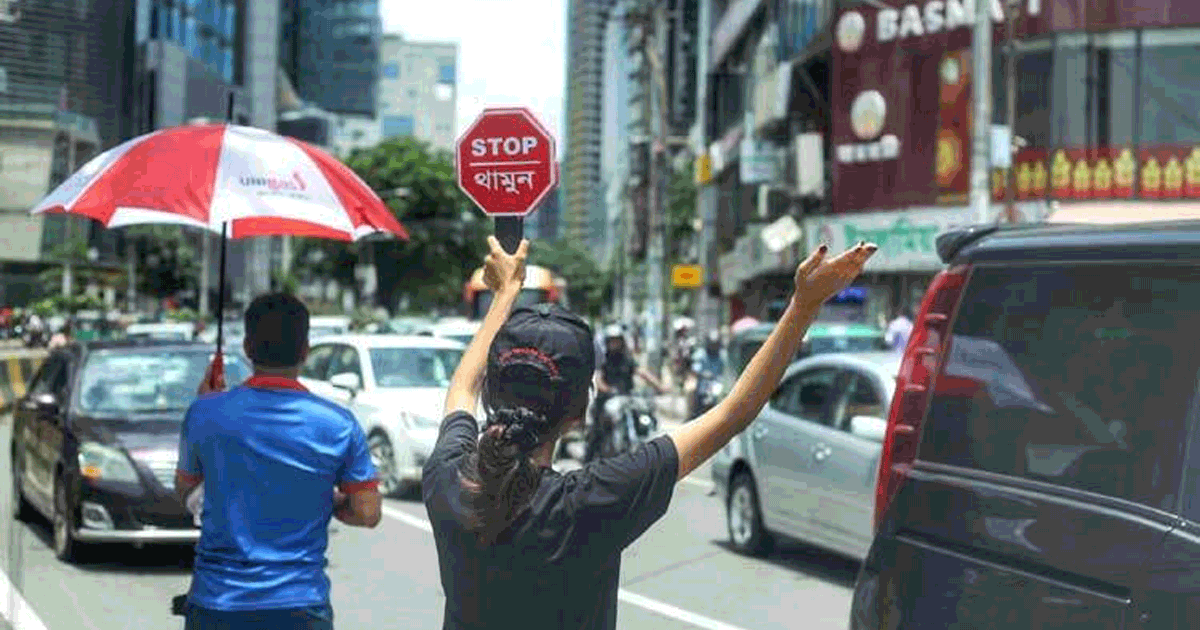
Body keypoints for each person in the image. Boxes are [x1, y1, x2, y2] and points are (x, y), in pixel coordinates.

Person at [421, 236, 876, 630]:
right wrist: (804, 304)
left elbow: (461, 386)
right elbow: (734, 412)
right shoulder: (586, 503)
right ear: (581, 407)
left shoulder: (449, 478)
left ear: (493, 392)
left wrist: (504, 295)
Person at [175, 292, 382, 630]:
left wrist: (209, 406)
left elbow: (185, 492)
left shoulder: (204, 413)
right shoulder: (338, 423)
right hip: (300, 606)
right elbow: (368, 512)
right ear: (305, 349)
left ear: (247, 347)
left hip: (217, 604)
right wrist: (328, 500)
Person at [587, 323, 665, 461]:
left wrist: (659, 386)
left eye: (617, 340)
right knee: (597, 429)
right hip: (607, 399)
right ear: (607, 341)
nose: (614, 343)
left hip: (627, 398)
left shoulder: (627, 358)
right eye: (612, 340)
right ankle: (588, 457)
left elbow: (642, 372)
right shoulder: (603, 359)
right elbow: (598, 379)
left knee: (645, 412)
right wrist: (607, 389)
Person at [689, 331, 726, 419]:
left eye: (715, 345)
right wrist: (703, 374)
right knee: (690, 390)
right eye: (712, 344)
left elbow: (726, 369)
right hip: (703, 384)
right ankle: (692, 413)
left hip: (718, 385)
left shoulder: (722, 355)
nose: (713, 347)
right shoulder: (701, 354)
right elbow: (695, 369)